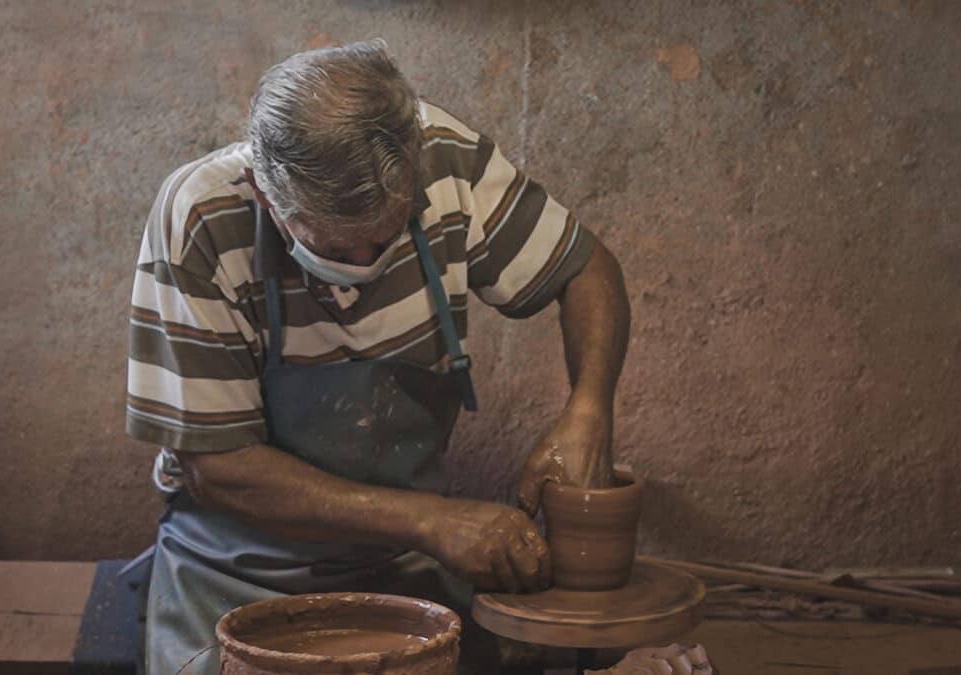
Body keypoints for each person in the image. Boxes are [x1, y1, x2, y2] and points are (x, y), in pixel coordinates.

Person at [125, 39, 630, 674]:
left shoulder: (447, 161)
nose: (361, 270)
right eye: (335, 245)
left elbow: (586, 271)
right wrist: (434, 521)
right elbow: (216, 468)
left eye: (385, 239)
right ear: (264, 195)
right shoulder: (199, 215)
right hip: (234, 570)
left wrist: (589, 409)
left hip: (403, 569)